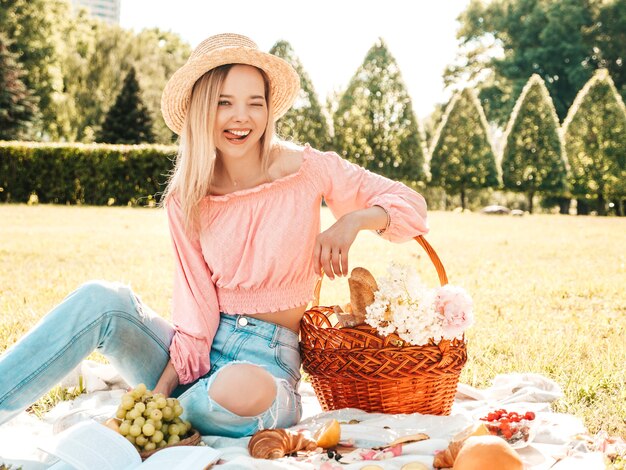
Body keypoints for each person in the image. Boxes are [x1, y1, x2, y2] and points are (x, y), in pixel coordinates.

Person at [0, 33, 428, 437]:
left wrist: (352, 221)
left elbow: (411, 206)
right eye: (224, 102)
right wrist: (163, 388)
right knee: (101, 298)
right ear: (203, 108)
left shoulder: (307, 169)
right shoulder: (187, 197)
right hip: (195, 356)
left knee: (239, 385)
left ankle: (175, 419)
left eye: (254, 103)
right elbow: (196, 314)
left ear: (268, 110)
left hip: (267, 368)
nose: (241, 117)